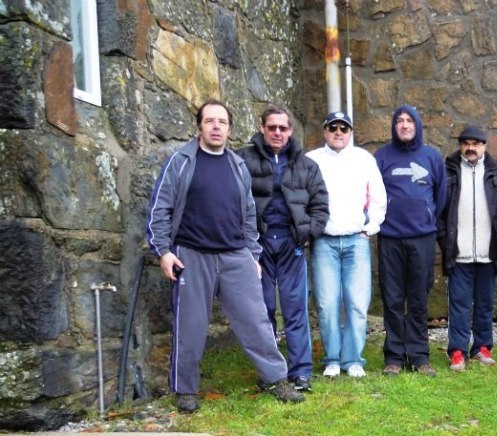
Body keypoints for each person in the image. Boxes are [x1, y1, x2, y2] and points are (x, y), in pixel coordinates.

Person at [146, 100, 303, 414]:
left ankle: (276, 379)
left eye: (222, 122)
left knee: (257, 321)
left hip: (235, 257)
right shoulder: (180, 161)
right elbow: (159, 208)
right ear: (199, 127)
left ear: (230, 129)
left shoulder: (237, 165)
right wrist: (163, 251)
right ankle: (185, 390)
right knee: (190, 326)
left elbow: (248, 214)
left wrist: (253, 255)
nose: (216, 127)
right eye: (210, 121)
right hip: (192, 256)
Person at [236, 104, 329, 393]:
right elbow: (232, 199)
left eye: (283, 127)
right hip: (258, 246)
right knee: (262, 310)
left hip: (291, 245)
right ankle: (269, 374)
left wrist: (305, 234)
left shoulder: (307, 166)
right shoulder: (242, 160)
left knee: (295, 309)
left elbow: (321, 206)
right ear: (262, 128)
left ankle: (300, 373)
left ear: (291, 131)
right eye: (272, 127)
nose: (278, 132)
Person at [306, 112, 387, 379]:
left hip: (356, 240)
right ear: (325, 131)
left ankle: (353, 359)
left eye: (344, 128)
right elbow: (302, 196)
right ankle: (332, 358)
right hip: (324, 242)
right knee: (328, 304)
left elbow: (378, 196)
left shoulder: (363, 159)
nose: (338, 132)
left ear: (350, 132)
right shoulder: (312, 160)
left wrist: (371, 227)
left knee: (357, 303)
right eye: (333, 128)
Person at [375, 105, 446, 377]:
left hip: (422, 239)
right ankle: (394, 356)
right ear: (394, 126)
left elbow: (440, 195)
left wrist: (426, 218)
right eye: (399, 121)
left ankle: (418, 356)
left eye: (409, 121)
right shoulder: (381, 156)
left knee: (418, 298)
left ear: (417, 125)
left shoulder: (431, 157)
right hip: (390, 238)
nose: (404, 125)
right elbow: (374, 194)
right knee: (392, 298)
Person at [438, 125, 497, 371]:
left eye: (476, 144)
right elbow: (440, 213)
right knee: (458, 303)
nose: (471, 148)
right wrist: (446, 241)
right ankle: (457, 351)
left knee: (486, 302)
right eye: (466, 143)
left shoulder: (496, 174)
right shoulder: (448, 173)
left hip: (488, 253)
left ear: (484, 147)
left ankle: (481, 347)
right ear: (460, 146)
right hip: (460, 254)